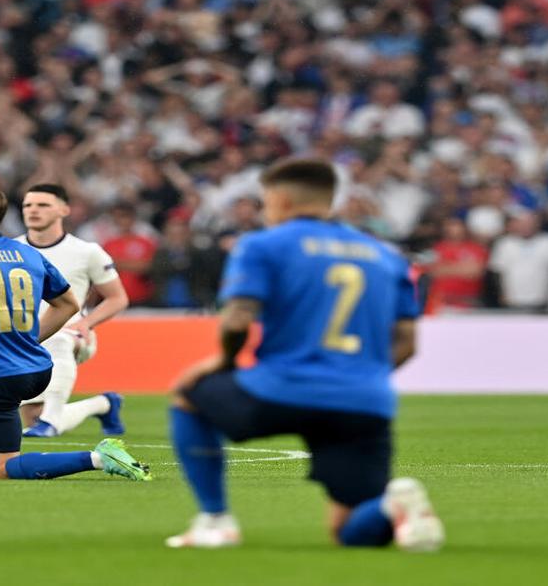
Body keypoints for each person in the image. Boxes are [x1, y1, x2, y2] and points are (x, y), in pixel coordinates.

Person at [165, 158, 443, 551]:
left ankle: (215, 519)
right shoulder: (385, 256)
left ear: (279, 199)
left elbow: (237, 319)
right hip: (363, 400)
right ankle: (391, 506)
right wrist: (364, 375)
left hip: (281, 387)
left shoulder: (263, 245)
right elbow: (407, 343)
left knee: (188, 397)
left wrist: (224, 363)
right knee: (349, 532)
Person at [0, 184, 151, 481]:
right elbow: (67, 305)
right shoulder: (25, 252)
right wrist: (25, 342)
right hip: (37, 368)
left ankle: (99, 457)